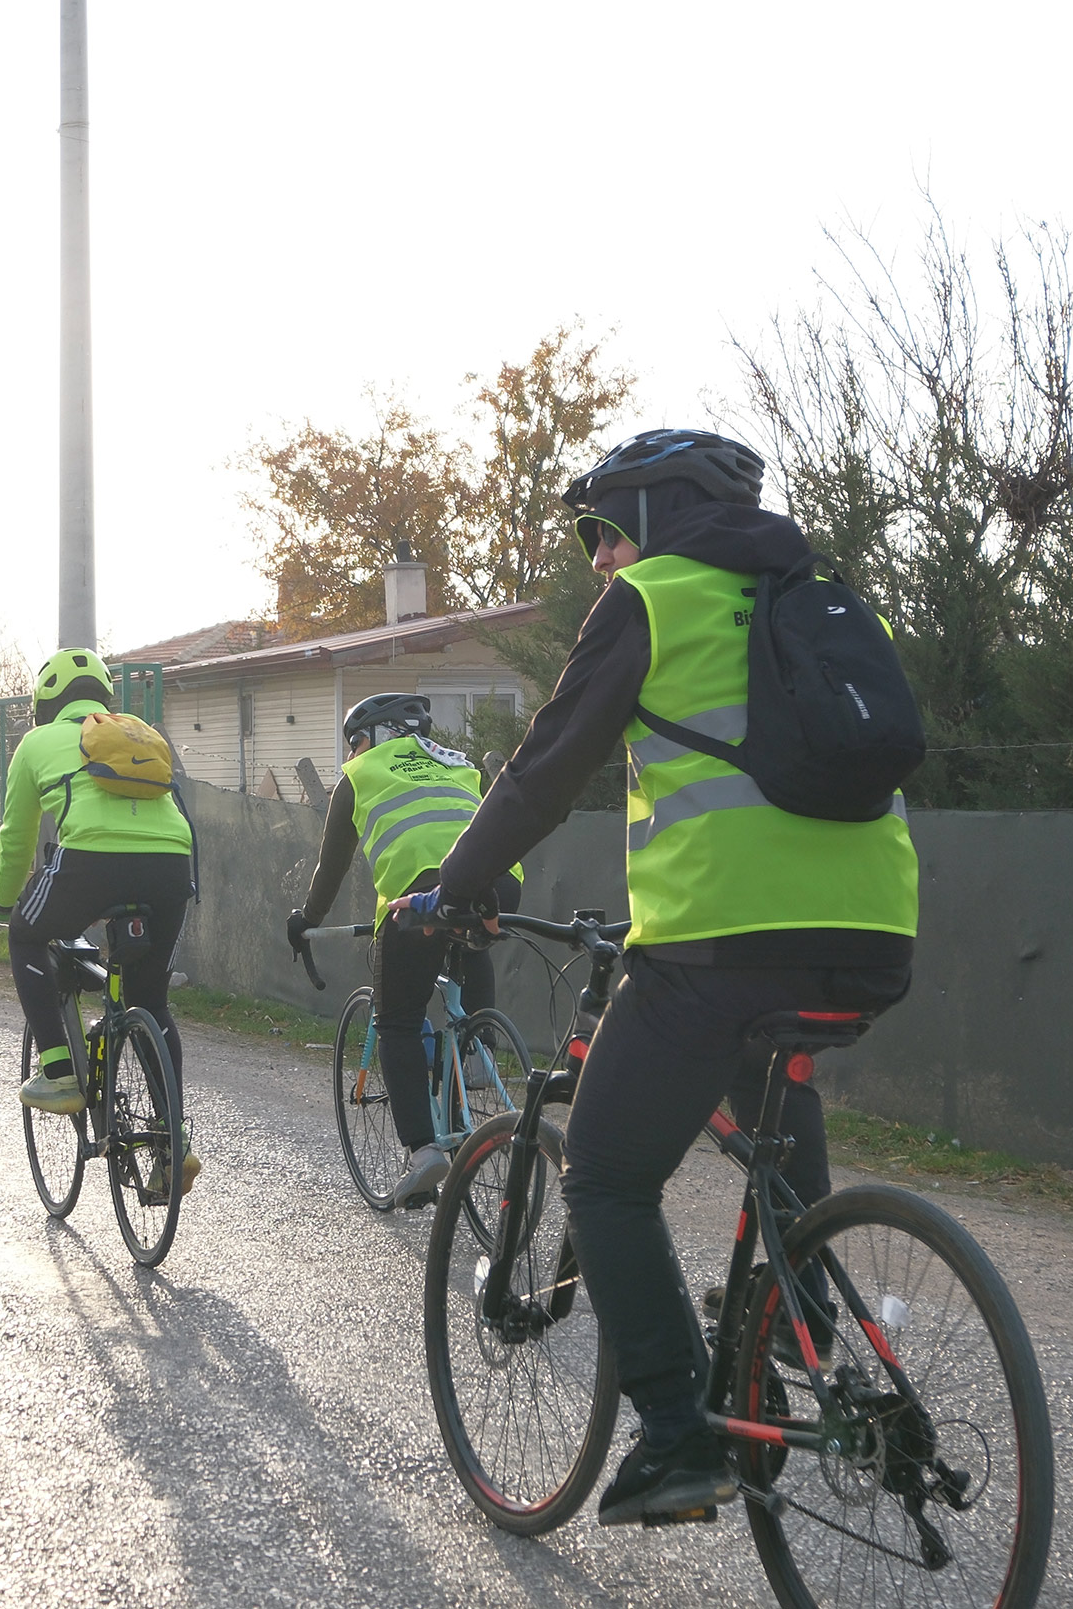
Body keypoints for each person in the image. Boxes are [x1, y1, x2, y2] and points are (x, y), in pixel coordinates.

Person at [404, 429, 919, 1527]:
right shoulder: (826, 595)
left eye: (601, 530)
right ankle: (797, 1335)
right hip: (874, 934)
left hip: (717, 947)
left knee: (604, 1175)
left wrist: (456, 886)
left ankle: (681, 1438)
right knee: (770, 1126)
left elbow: (547, 766)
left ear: (648, 508)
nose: (597, 558)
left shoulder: (654, 600)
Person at [288, 693, 522, 1209]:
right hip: (500, 887)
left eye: (354, 741)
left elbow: (331, 869)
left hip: (420, 896)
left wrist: (306, 921)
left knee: (396, 1020)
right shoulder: (455, 761)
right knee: (466, 944)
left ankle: (422, 1150)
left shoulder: (360, 774)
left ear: (378, 736)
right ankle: (479, 1048)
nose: (351, 753)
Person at [0, 648, 201, 1196]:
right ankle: (173, 1138)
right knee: (150, 999)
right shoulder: (135, 731)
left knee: (27, 931)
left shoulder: (36, 743)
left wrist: (0, 901)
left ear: (44, 704)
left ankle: (59, 1070)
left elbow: (16, 838)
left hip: (90, 862)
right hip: (172, 865)